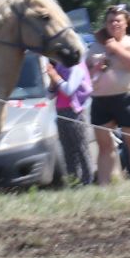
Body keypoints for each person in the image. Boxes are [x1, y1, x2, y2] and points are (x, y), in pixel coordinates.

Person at [88, 4, 130, 185]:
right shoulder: (95, 46)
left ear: (126, 23)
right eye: (110, 21)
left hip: (128, 96)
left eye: (118, 20)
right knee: (104, 145)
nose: (114, 23)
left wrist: (114, 48)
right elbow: (86, 73)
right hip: (100, 98)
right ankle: (104, 184)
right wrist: (96, 67)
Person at [44, 53, 95, 184]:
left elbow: (69, 89)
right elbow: (49, 96)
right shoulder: (60, 67)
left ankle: (87, 180)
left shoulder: (77, 67)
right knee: (68, 150)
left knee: (81, 148)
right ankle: (73, 180)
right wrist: (52, 80)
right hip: (60, 112)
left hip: (75, 113)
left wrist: (56, 77)